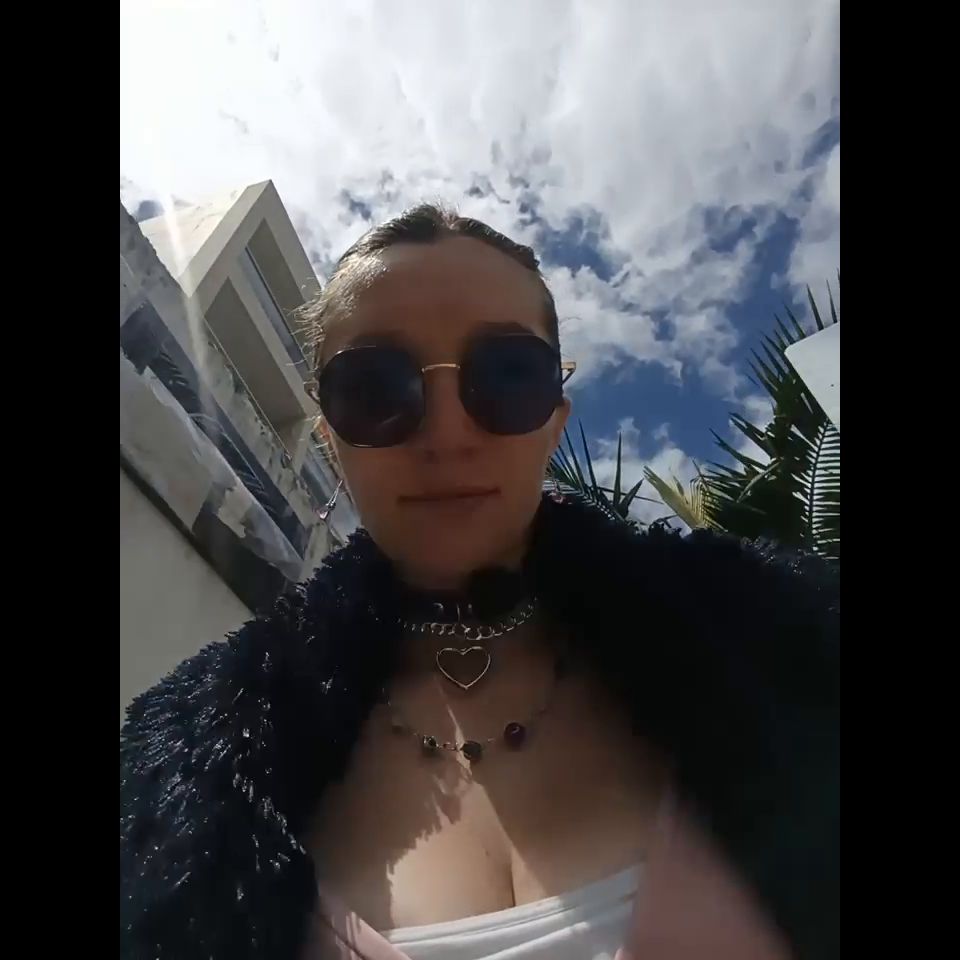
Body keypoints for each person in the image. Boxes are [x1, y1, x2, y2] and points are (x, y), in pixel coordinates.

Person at [120, 205, 838, 960]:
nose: (447, 432)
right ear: (330, 439)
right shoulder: (186, 769)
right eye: (373, 387)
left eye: (508, 375)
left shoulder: (790, 644)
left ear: (554, 421)